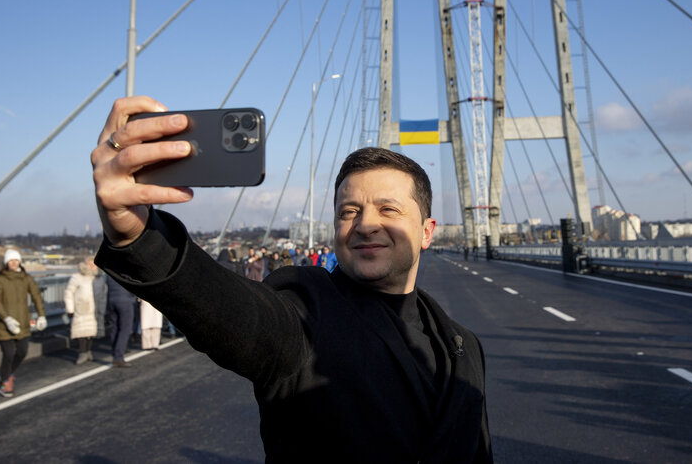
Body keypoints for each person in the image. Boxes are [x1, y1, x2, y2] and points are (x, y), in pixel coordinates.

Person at [91, 97, 492, 462]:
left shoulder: (464, 347)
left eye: (388, 209)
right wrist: (139, 237)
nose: (366, 224)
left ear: (427, 231)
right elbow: (234, 311)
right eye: (348, 211)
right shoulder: (305, 314)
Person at [0, 249, 47, 397]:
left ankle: (7, 374)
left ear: (20, 262)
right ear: (6, 263)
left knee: (22, 352)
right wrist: (6, 319)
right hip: (5, 325)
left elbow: (36, 295)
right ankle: (5, 381)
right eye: (11, 261)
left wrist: (41, 315)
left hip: (23, 322)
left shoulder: (26, 278)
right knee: (9, 353)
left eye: (16, 260)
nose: (14, 263)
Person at [64, 257, 99, 365]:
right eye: (90, 263)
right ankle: (82, 353)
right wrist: (70, 309)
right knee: (81, 332)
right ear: (85, 264)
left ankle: (88, 351)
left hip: (93, 309)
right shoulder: (77, 277)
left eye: (94, 264)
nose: (92, 266)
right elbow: (69, 293)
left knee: (91, 332)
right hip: (80, 309)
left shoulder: (96, 278)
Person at [106, 276, 135, 367]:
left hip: (112, 300)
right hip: (125, 300)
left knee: (115, 327)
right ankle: (118, 357)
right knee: (125, 329)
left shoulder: (108, 271)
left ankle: (115, 354)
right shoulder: (125, 270)